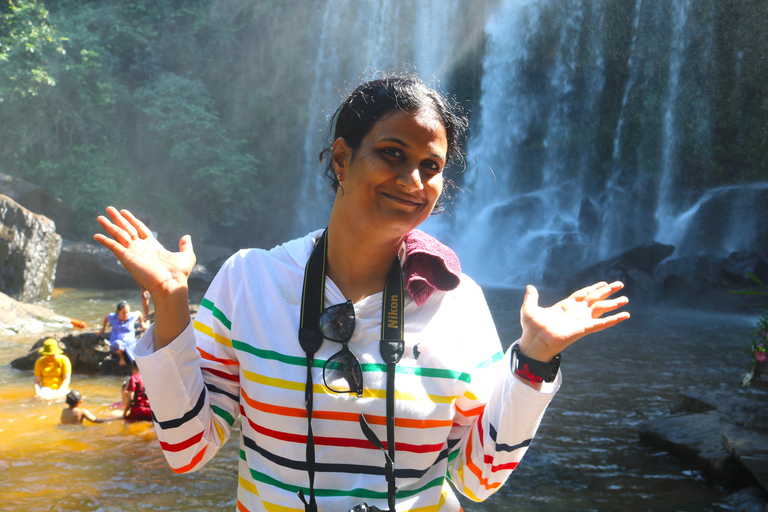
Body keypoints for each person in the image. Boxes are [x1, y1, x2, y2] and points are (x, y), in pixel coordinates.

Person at [94, 74, 629, 512]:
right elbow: (188, 450)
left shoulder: (456, 302)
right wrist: (170, 302)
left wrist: (534, 361)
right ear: (342, 159)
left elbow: (477, 476)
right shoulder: (250, 280)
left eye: (431, 166)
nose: (414, 181)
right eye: (393, 154)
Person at [98, 301, 149, 366]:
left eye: (127, 313)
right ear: (118, 312)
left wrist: (141, 323)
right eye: (124, 313)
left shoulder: (131, 316)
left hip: (130, 342)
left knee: (136, 358)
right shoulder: (113, 317)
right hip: (118, 343)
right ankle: (121, 358)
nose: (126, 315)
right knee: (117, 344)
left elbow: (139, 313)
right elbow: (106, 317)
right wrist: (103, 329)